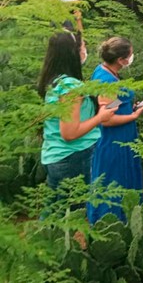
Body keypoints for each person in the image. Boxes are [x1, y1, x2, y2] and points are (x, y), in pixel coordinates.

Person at [39, 32, 116, 192]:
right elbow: (69, 133)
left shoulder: (56, 80)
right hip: (72, 157)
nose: (85, 51)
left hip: (58, 155)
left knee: (58, 206)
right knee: (74, 206)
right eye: (83, 47)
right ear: (73, 52)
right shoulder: (70, 87)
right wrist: (100, 117)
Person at [88, 37, 143, 223]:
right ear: (121, 60)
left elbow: (112, 104)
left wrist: (127, 106)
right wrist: (133, 116)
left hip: (121, 137)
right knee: (114, 180)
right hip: (114, 140)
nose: (132, 57)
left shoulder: (104, 71)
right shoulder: (107, 80)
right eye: (130, 54)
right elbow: (106, 119)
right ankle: (110, 221)